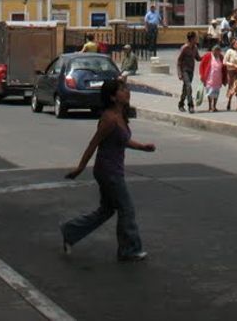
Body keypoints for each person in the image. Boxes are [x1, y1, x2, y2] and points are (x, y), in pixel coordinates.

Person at [61, 78, 155, 261]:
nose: (127, 91)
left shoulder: (120, 116)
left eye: (126, 88)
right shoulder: (109, 119)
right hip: (108, 171)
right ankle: (129, 249)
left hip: (112, 170)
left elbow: (123, 141)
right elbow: (93, 143)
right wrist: (80, 167)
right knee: (126, 208)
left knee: (107, 210)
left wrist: (143, 147)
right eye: (122, 89)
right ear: (113, 97)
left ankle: (70, 231)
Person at [176, 31, 200, 113]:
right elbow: (179, 61)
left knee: (186, 89)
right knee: (189, 87)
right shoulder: (184, 48)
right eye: (195, 38)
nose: (196, 39)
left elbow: (198, 58)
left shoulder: (195, 48)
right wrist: (179, 73)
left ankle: (181, 103)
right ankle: (191, 105)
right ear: (192, 39)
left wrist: (208, 57)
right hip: (184, 70)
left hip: (191, 71)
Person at [199, 42, 225, 112]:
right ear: (212, 51)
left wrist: (225, 78)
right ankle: (210, 106)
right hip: (209, 78)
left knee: (216, 93)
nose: (216, 52)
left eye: (218, 51)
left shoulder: (221, 57)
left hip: (218, 78)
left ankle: (214, 106)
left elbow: (224, 67)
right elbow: (201, 66)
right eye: (215, 51)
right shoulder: (208, 56)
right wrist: (202, 75)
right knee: (210, 93)